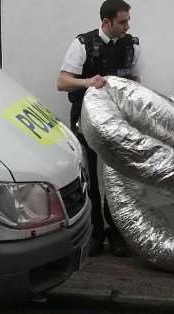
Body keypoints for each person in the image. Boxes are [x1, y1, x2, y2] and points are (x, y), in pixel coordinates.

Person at [57, 0, 141, 256]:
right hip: (87, 121)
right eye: (122, 21)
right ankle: (95, 233)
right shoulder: (83, 44)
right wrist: (87, 82)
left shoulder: (130, 45)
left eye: (128, 20)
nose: (127, 26)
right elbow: (62, 82)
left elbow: (135, 79)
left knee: (117, 180)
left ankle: (116, 233)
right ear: (106, 22)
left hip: (117, 121)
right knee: (92, 178)